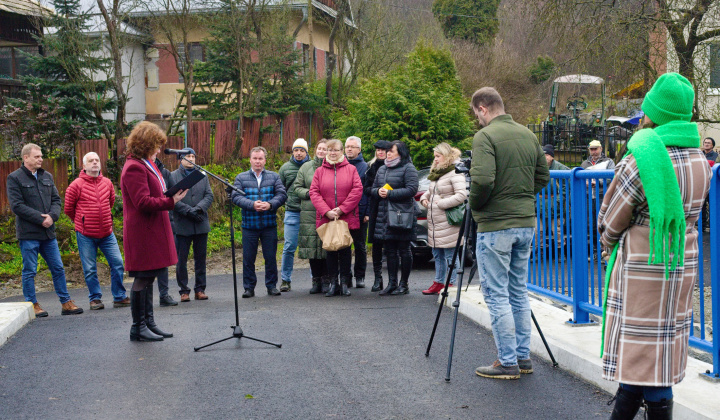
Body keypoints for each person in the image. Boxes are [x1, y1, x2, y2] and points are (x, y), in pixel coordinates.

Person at [599, 72, 710, 419]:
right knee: (656, 351)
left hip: (644, 265)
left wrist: (607, 244)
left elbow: (612, 217)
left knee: (643, 353)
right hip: (681, 258)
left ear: (653, 113)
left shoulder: (642, 156)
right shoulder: (700, 160)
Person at [468, 87, 549, 379]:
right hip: (526, 222)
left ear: (482, 108)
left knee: (497, 293)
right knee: (518, 291)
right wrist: (522, 197)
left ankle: (507, 361)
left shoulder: (485, 137)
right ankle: (522, 357)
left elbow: (482, 181)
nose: (477, 119)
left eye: (475, 113)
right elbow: (543, 177)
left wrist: (476, 208)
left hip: (495, 225)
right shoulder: (528, 135)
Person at [121, 121, 187, 341]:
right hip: (142, 231)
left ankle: (149, 322)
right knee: (142, 277)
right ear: (146, 143)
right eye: (156, 145)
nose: (159, 150)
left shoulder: (145, 164)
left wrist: (170, 196)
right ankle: (137, 327)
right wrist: (170, 201)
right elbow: (142, 202)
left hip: (152, 228)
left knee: (149, 277)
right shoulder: (134, 167)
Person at [7, 143, 84, 317]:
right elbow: (17, 206)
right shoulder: (15, 178)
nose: (41, 159)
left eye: (41, 156)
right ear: (26, 157)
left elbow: (57, 201)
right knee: (30, 271)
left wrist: (52, 217)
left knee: (58, 268)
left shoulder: (47, 176)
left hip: (48, 234)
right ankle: (32, 304)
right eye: (37, 156)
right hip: (29, 234)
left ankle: (66, 302)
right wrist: (41, 219)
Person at [64, 152, 128, 310]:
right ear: (84, 166)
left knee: (118, 263)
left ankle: (119, 297)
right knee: (90, 269)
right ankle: (95, 299)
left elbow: (111, 202)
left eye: (97, 160)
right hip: (85, 234)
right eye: (90, 161)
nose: (94, 163)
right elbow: (68, 209)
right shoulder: (76, 185)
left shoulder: (107, 183)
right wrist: (81, 221)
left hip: (107, 233)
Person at [231, 146, 287, 298]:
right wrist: (252, 205)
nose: (257, 161)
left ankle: (271, 286)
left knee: (270, 257)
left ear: (265, 160)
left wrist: (270, 204)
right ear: (250, 160)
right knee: (248, 258)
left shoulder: (274, 177)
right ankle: (249, 287)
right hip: (249, 226)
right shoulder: (241, 178)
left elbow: (282, 194)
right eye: (255, 158)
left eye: (260, 158)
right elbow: (235, 197)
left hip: (269, 225)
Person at [310, 139, 363, 296]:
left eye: (336, 150)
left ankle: (345, 283)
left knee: (345, 250)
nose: (332, 153)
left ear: (342, 152)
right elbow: (314, 192)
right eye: (330, 150)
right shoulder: (319, 171)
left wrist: (341, 209)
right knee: (331, 250)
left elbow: (357, 190)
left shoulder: (351, 169)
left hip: (346, 216)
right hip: (327, 217)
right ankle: (334, 283)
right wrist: (326, 211)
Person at [370, 141, 419, 296]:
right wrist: (378, 191)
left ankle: (404, 284)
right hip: (385, 215)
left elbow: (412, 190)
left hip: (402, 215)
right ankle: (392, 284)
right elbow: (373, 188)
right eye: (387, 151)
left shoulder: (408, 167)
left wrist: (390, 193)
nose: (388, 153)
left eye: (391, 151)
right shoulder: (382, 168)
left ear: (401, 152)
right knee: (390, 250)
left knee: (404, 249)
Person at [419, 143, 468, 295]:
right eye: (435, 156)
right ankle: (438, 282)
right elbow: (430, 191)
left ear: (446, 157)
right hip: (435, 221)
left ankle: (451, 284)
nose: (435, 159)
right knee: (437, 254)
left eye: (438, 156)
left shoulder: (454, 172)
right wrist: (423, 199)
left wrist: (442, 204)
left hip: (448, 220)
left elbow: (462, 194)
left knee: (450, 255)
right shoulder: (437, 172)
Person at [167, 149, 214, 302]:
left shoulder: (202, 175)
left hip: (200, 221)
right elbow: (171, 199)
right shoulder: (173, 176)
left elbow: (209, 195)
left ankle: (200, 289)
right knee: (181, 259)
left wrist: (199, 209)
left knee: (200, 258)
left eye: (193, 156)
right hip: (182, 223)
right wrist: (188, 211)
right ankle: (184, 290)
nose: (191, 159)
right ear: (181, 159)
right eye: (188, 156)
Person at [293, 139, 329, 294]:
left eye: (325, 149)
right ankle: (316, 280)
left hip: (327, 212)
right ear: (315, 150)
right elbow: (297, 187)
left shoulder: (332, 166)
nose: (321, 151)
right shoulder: (306, 167)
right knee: (312, 249)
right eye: (319, 148)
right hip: (309, 212)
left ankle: (327, 280)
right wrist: (310, 194)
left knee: (327, 247)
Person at [278, 138, 310, 292]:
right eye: (296, 150)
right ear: (292, 152)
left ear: (306, 152)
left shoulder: (314, 166)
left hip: (310, 212)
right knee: (289, 246)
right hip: (292, 212)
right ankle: (285, 280)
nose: (298, 153)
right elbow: (279, 190)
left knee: (312, 246)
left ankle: (316, 279)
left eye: (302, 150)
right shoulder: (285, 168)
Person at [364, 140, 392, 292]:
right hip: (376, 208)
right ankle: (377, 278)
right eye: (378, 150)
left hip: (391, 208)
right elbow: (366, 188)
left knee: (391, 244)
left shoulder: (395, 165)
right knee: (376, 244)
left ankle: (392, 281)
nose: (380, 152)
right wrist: (377, 191)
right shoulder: (371, 167)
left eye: (383, 150)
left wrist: (389, 191)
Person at [344, 136, 369, 288]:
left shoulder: (366, 167)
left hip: (360, 212)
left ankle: (360, 276)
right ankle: (346, 277)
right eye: (347, 147)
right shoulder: (340, 165)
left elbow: (367, 192)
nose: (349, 149)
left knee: (360, 246)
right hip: (344, 212)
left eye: (353, 147)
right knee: (344, 245)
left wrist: (367, 212)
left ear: (359, 149)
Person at [154, 157, 178, 307]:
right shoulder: (140, 170)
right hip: (150, 219)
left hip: (166, 219)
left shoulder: (165, 172)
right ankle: (145, 297)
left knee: (163, 260)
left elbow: (172, 193)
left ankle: (164, 294)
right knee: (149, 262)